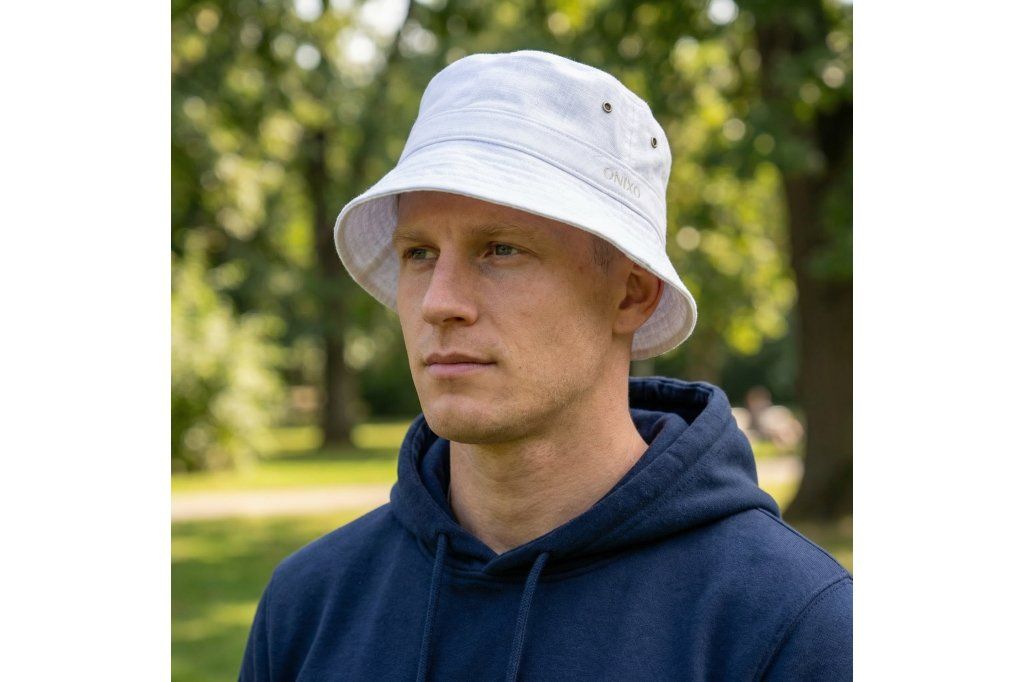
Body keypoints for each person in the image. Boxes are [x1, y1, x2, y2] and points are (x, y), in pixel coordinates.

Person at [239, 50, 852, 681]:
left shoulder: (795, 628)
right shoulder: (308, 607)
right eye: (419, 253)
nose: (439, 302)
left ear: (630, 294)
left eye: (500, 249)